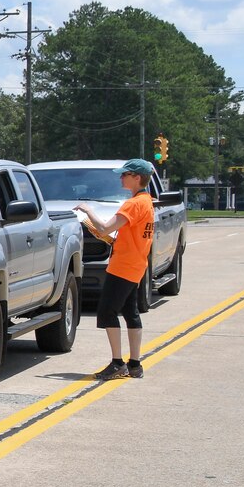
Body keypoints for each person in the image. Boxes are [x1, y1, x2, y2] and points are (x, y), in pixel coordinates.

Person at [75, 159, 157, 380]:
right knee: (131, 312)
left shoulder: (132, 204)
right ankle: (135, 364)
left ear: (136, 178)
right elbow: (117, 234)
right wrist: (100, 231)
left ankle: (117, 363)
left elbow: (104, 227)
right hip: (136, 264)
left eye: (125, 174)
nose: (121, 177)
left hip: (123, 266)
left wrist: (87, 211)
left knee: (107, 311)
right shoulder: (147, 202)